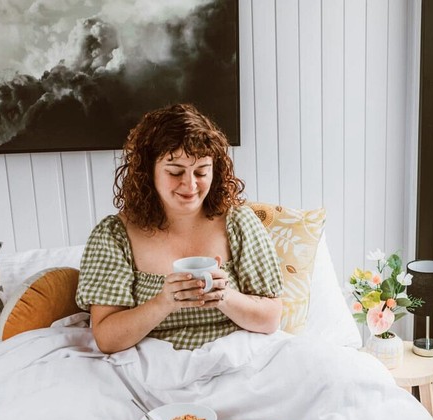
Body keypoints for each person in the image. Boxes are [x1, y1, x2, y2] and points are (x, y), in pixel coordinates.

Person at [76, 104, 283, 354]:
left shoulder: (238, 222)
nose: (190, 184)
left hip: (238, 358)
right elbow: (107, 339)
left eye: (201, 172)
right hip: (154, 365)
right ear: (148, 173)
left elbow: (271, 318)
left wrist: (224, 296)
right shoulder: (114, 235)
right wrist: (164, 302)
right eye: (175, 172)